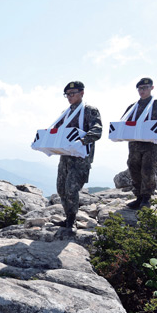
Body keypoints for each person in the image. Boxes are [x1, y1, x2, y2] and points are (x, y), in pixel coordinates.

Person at [54, 81, 102, 232]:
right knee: (61, 188)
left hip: (81, 158)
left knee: (71, 188)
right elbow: (56, 129)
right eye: (67, 94)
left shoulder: (89, 110)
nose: (69, 97)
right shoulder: (66, 113)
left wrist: (82, 140)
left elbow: (97, 130)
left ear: (82, 93)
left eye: (72, 93)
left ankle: (72, 219)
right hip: (66, 156)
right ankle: (68, 215)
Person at [124, 78, 157, 210]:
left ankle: (146, 198)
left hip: (151, 146)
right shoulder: (133, 107)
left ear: (152, 88)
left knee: (148, 169)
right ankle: (138, 197)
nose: (142, 91)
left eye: (145, 87)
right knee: (133, 168)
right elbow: (124, 123)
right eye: (140, 88)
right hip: (135, 145)